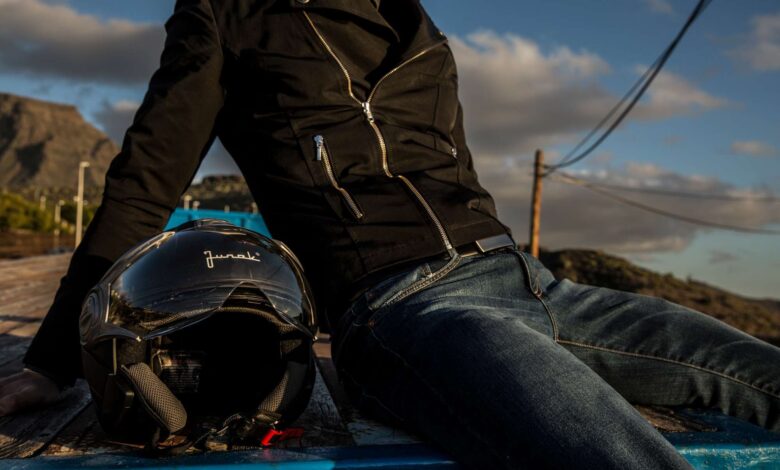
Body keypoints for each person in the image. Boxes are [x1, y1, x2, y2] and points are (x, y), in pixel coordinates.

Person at [0, 1, 778, 468]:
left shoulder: (413, 21)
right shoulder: (227, 15)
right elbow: (143, 184)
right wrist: (52, 360)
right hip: (406, 310)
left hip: (534, 282)